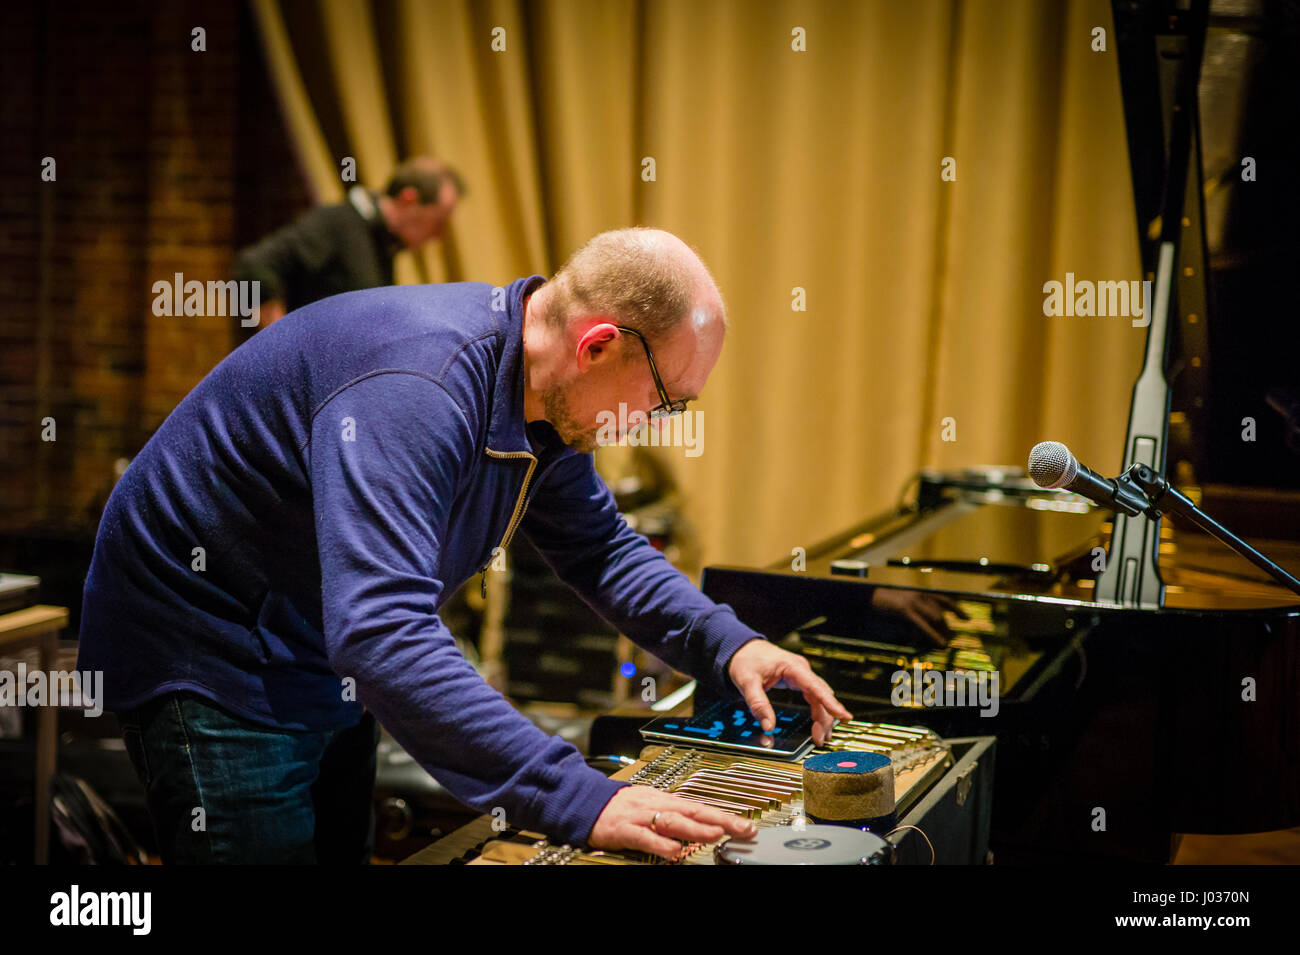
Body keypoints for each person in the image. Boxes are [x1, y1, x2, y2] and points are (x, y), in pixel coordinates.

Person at [78, 227, 853, 863]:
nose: (656, 423)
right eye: (663, 399)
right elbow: (381, 632)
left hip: (307, 634)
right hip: (206, 644)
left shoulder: (538, 395)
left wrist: (729, 646)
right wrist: (583, 796)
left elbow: (600, 550)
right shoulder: (420, 388)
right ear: (599, 346)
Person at [233, 156, 464, 327]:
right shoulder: (339, 223)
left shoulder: (384, 245)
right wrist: (280, 343)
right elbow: (254, 266)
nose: (438, 235)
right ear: (408, 200)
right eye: (438, 221)